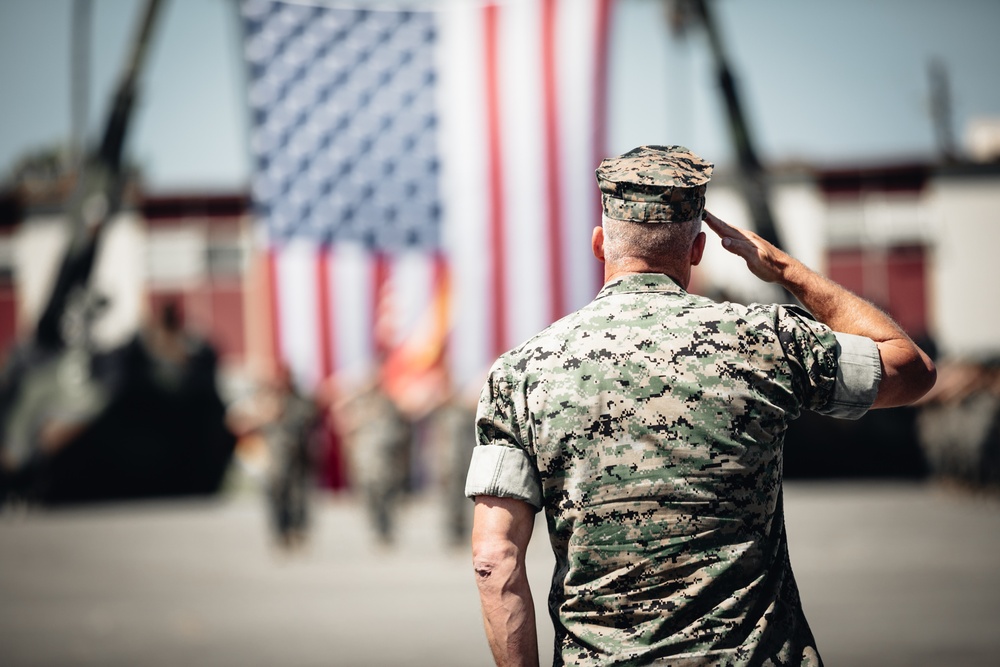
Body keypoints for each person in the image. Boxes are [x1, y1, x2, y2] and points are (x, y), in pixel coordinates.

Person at [466, 145, 936, 666]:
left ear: (600, 244)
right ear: (697, 251)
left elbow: (495, 558)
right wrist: (785, 269)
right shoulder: (765, 341)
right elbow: (911, 369)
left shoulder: (522, 372)